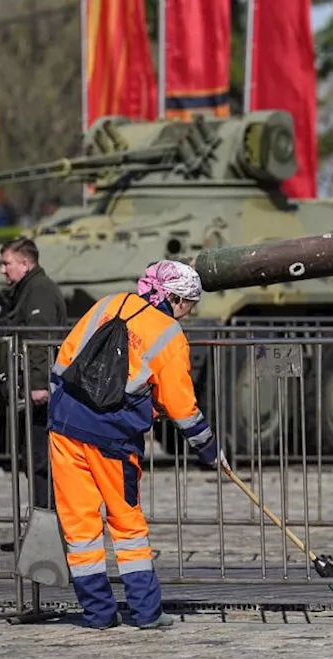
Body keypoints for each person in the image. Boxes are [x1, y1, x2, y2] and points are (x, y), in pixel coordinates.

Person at [47, 260, 222, 630]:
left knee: (80, 529)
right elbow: (182, 407)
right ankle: (146, 612)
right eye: (190, 303)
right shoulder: (169, 335)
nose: (190, 312)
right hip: (113, 438)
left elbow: (65, 358)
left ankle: (97, 614)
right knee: (127, 526)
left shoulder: (109, 303)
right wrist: (209, 449)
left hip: (65, 426)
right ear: (174, 298)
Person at [0, 237, 66, 551]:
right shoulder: (28, 290)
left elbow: (40, 340)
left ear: (25, 262)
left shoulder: (40, 291)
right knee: (33, 463)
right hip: (30, 394)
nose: (3, 271)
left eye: (7, 263)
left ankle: (47, 535)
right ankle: (41, 530)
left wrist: (37, 384)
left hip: (40, 396)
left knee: (41, 465)